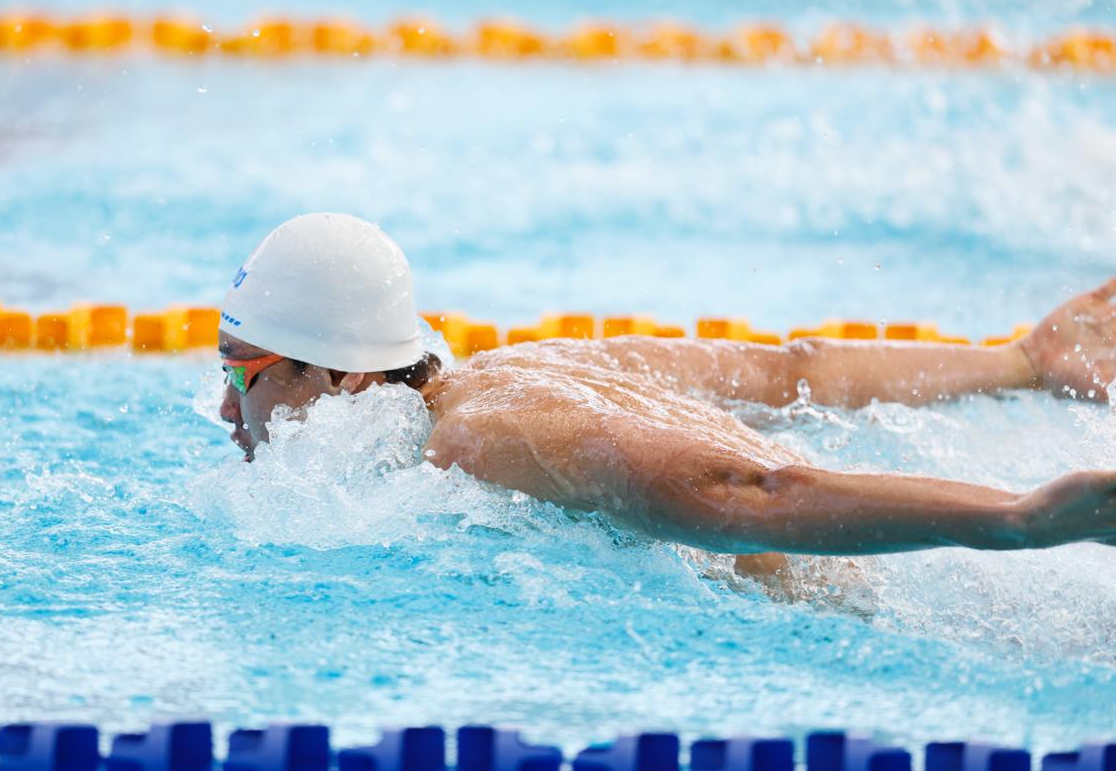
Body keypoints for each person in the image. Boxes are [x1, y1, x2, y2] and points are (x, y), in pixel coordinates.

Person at [218, 213, 1116, 567]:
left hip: (837, 599)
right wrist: (1020, 363)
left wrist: (1018, 521)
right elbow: (795, 372)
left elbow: (750, 496)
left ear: (345, 376)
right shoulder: (528, 363)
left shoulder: (482, 441)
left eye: (242, 374)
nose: (226, 408)